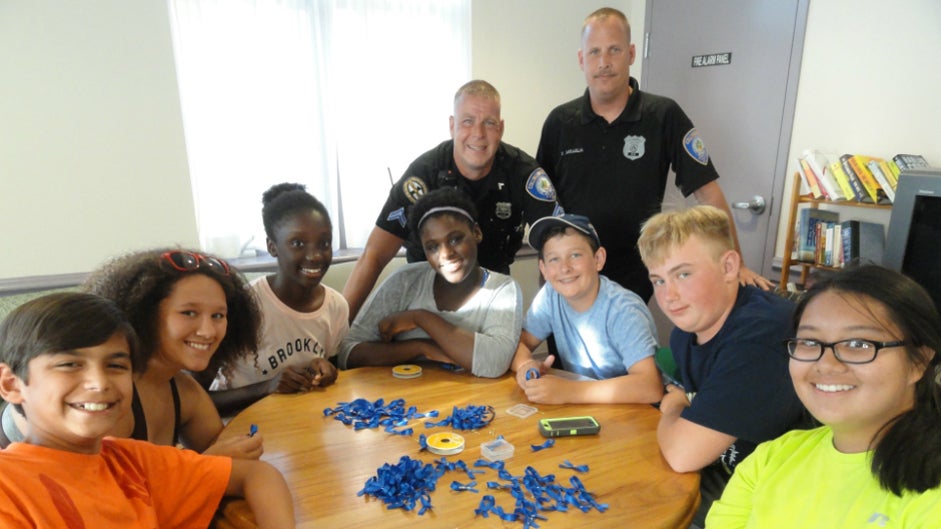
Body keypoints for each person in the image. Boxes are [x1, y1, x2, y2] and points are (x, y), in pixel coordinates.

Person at [537, 7, 773, 304]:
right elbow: (541, 203)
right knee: (563, 352)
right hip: (569, 274)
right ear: (581, 59)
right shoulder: (560, 122)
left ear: (632, 53)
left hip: (632, 276)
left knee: (630, 350)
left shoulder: (663, 116)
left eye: (614, 50)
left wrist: (735, 262)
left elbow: (708, 193)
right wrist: (548, 263)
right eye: (594, 52)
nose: (604, 62)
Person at [0, 292, 295, 528]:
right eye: (69, 364)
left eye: (116, 366)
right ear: (12, 384)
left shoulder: (134, 462)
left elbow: (257, 475)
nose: (98, 383)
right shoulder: (9, 486)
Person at [707, 265, 941, 528]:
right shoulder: (773, 456)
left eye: (858, 344)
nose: (826, 364)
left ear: (918, 361)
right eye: (809, 342)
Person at [637, 205, 804, 527]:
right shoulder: (687, 334)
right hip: (728, 470)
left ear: (729, 267)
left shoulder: (762, 335)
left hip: (780, 499)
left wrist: (672, 406)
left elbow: (684, 454)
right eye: (658, 280)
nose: (668, 296)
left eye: (683, 274)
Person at [343, 79, 562, 320]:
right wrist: (339, 328)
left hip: (492, 295)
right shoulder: (423, 174)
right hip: (424, 295)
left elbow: (558, 251)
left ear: (500, 128)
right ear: (452, 125)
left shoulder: (524, 174)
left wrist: (549, 326)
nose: (478, 134)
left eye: (488, 123)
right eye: (467, 121)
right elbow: (374, 255)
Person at [338, 188, 522, 377]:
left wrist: (421, 319)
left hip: (470, 403)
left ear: (476, 232)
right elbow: (348, 353)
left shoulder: (502, 290)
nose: (446, 254)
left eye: (455, 239)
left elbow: (495, 363)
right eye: (432, 246)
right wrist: (420, 347)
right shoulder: (405, 281)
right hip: (402, 401)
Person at [208, 183, 348, 414]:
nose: (314, 256)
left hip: (302, 424)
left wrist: (326, 371)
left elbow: (331, 369)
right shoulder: (243, 305)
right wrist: (268, 387)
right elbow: (195, 402)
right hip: (244, 429)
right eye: (298, 244)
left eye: (324, 243)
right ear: (272, 247)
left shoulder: (336, 306)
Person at [511, 213, 662, 404]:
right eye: (554, 259)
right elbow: (518, 343)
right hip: (586, 408)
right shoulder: (551, 295)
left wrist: (568, 392)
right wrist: (525, 364)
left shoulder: (624, 311)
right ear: (544, 269)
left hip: (633, 415)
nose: (564, 268)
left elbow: (650, 387)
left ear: (598, 259)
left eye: (575, 255)